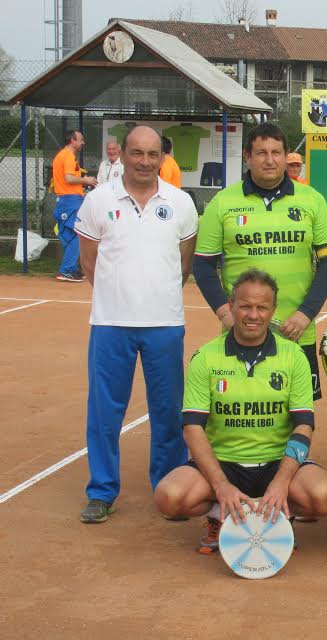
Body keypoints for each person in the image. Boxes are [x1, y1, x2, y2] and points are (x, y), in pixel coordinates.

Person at [154, 269, 327, 553]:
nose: (253, 315)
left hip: (277, 460)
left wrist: (281, 482)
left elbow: (303, 426)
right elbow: (192, 428)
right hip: (224, 461)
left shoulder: (294, 357)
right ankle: (219, 513)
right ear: (231, 306)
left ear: (273, 310)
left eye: (262, 307)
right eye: (246, 306)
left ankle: (279, 513)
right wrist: (220, 486)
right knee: (170, 497)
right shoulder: (205, 358)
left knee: (325, 497)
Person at [74, 125, 198, 523]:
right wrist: (118, 295)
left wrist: (153, 296)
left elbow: (184, 264)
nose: (144, 161)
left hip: (164, 325)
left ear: (162, 156)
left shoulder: (180, 203)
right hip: (111, 324)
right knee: (105, 411)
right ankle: (102, 490)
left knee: (168, 410)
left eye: (152, 154)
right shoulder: (97, 200)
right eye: (136, 153)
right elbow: (88, 262)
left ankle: (168, 484)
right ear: (122, 155)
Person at [193, 122, 327, 401]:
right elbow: (202, 265)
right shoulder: (223, 203)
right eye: (261, 153)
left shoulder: (313, 200)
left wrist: (306, 314)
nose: (269, 160)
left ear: (286, 157)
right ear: (248, 156)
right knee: (241, 408)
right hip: (241, 330)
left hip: (297, 332)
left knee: (300, 417)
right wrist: (226, 315)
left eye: (276, 152)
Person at [53, 130, 97, 282]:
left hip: (65, 200)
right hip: (70, 201)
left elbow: (68, 179)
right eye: (81, 140)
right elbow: (69, 178)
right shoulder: (68, 156)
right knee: (78, 234)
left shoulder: (62, 155)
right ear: (73, 140)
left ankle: (70, 268)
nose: (83, 143)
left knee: (68, 235)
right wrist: (87, 181)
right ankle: (66, 269)